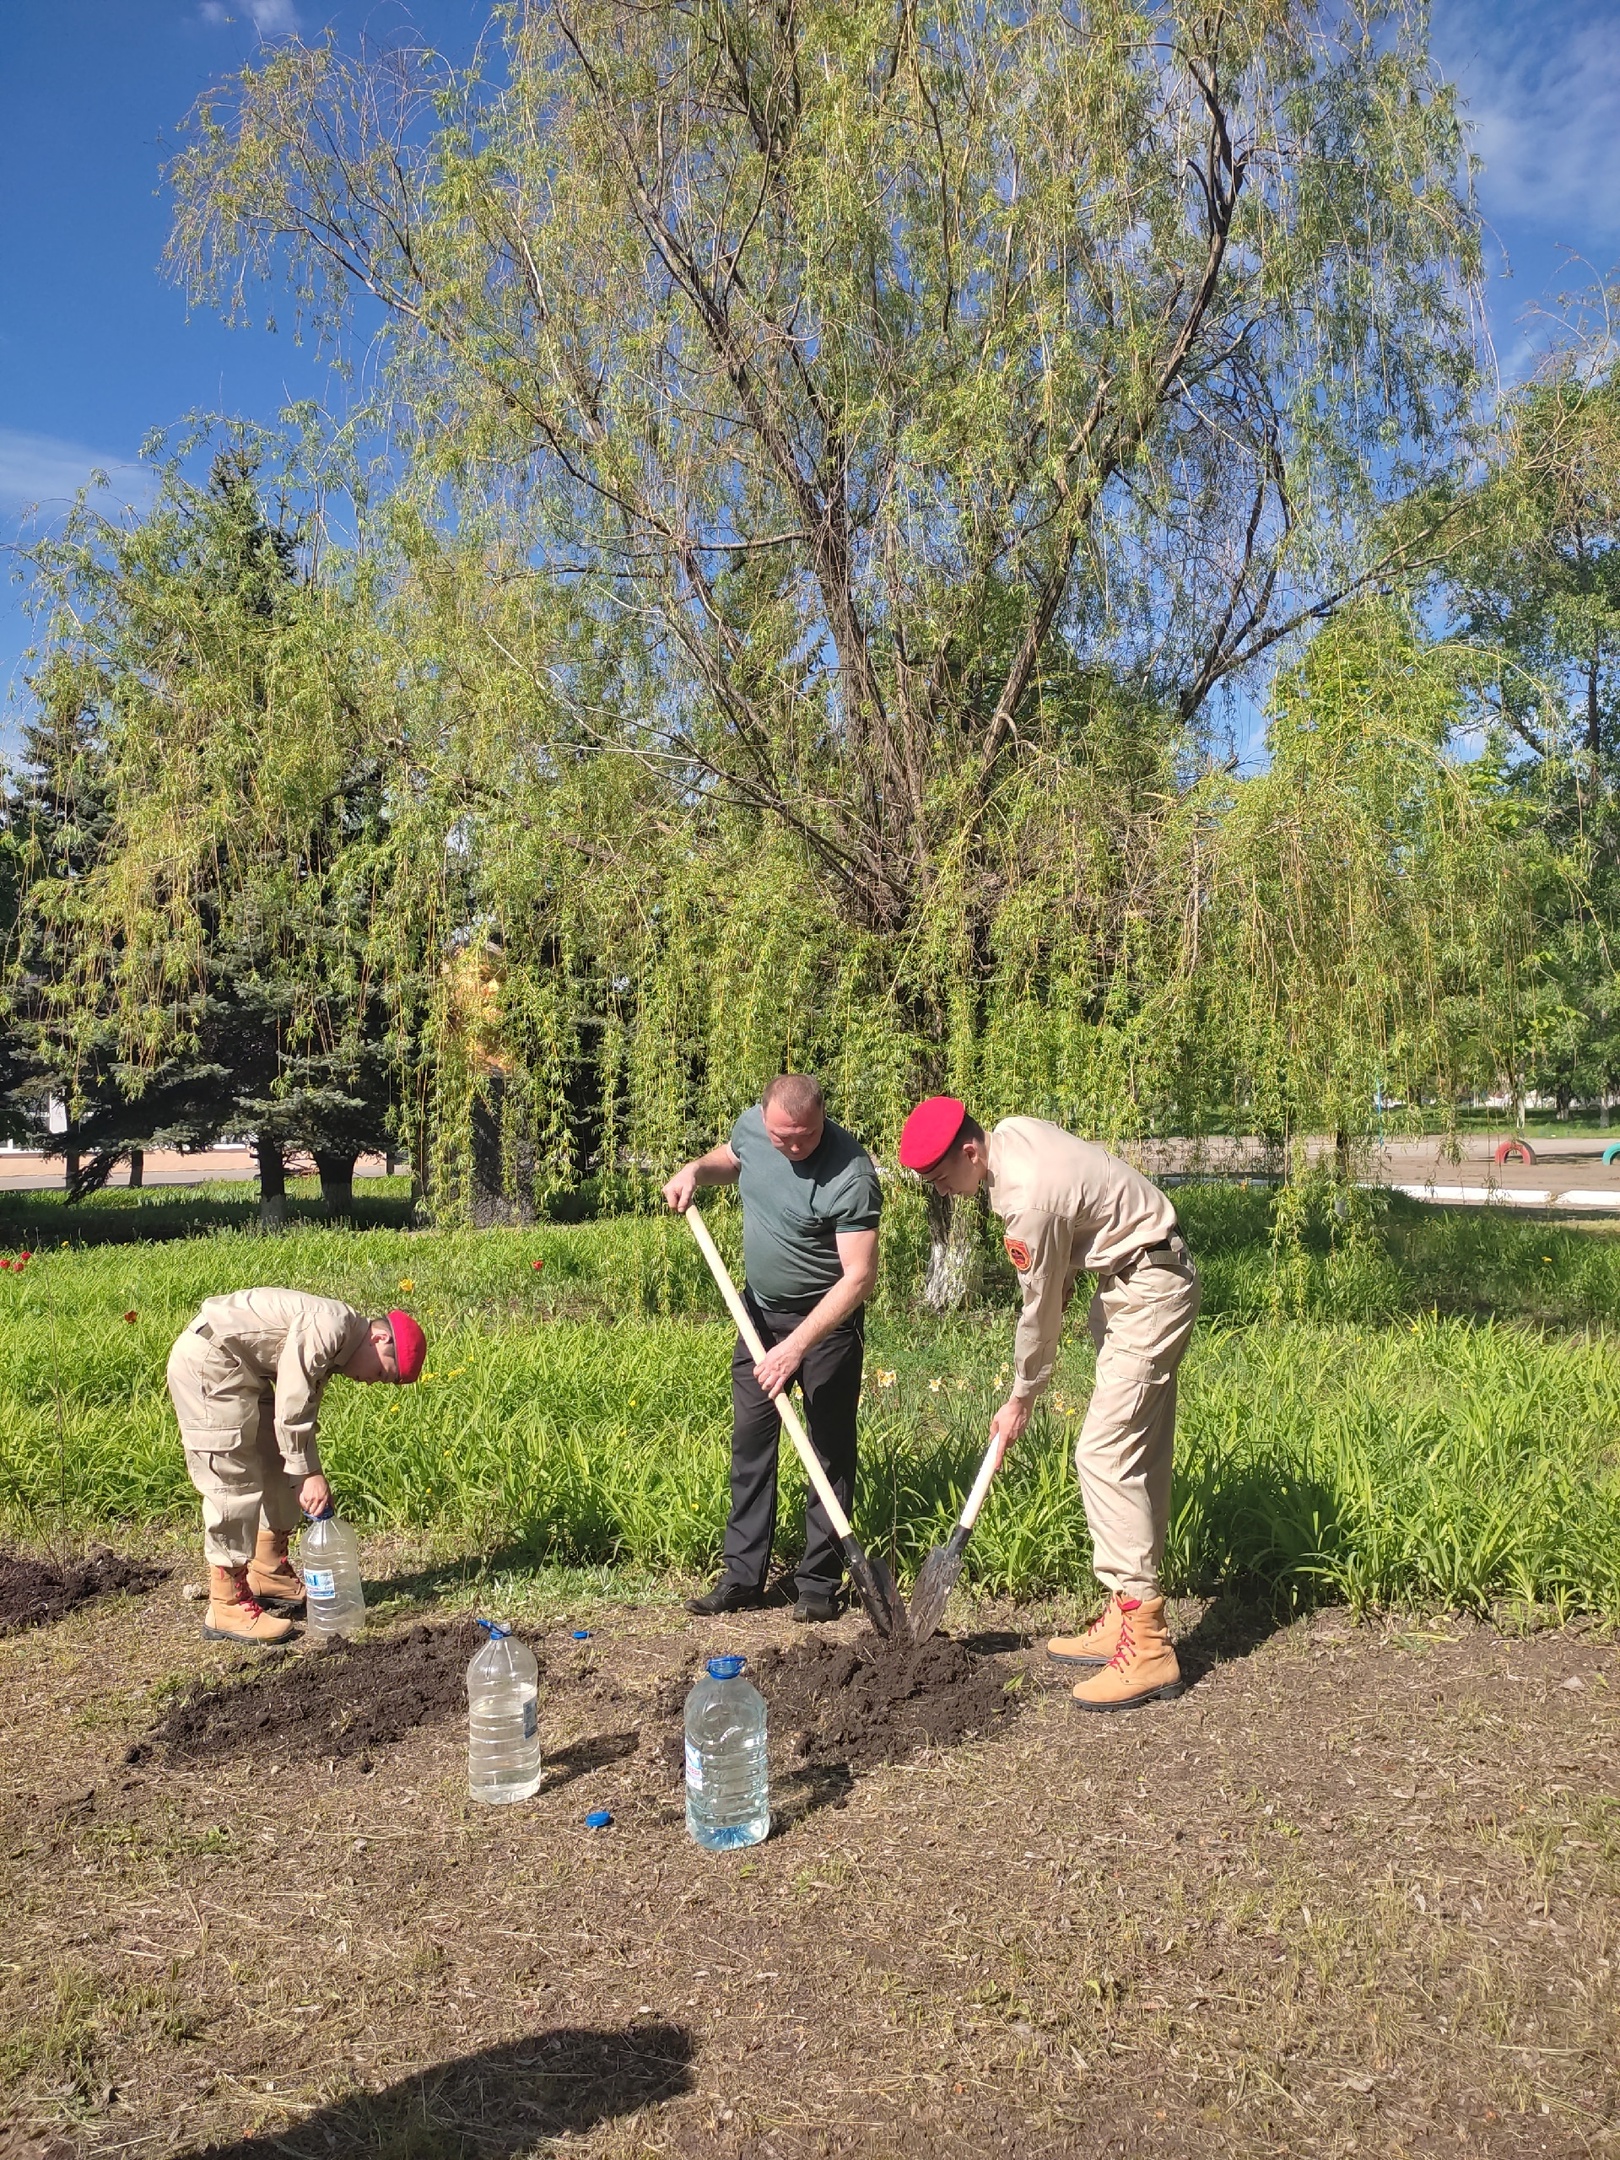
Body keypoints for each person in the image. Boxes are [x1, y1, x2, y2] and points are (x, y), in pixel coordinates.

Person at [897, 1098, 1199, 1711]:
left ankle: (1147, 1646)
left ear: (970, 1152)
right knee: (1137, 1454)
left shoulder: (1024, 1201)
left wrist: (1020, 1398)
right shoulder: (1012, 1134)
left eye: (941, 1180)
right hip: (1139, 1278)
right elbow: (1066, 1248)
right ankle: (1123, 1613)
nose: (944, 1193)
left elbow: (1037, 1317)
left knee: (1103, 1454)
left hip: (1148, 1290)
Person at [663, 1074, 882, 1622]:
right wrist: (695, 1170)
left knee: (827, 1451)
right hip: (758, 1316)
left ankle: (818, 1584)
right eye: (782, 1137)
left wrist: (796, 1347)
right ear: (765, 1120)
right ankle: (741, 1577)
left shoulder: (851, 1173)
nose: (792, 1148)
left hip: (827, 1325)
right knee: (751, 1445)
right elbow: (733, 1158)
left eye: (804, 1137)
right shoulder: (754, 1131)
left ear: (821, 1119)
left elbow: (858, 1278)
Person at [166, 1289, 427, 1646]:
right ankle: (226, 1604)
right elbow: (291, 1401)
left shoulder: (340, 1345)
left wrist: (307, 1471)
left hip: (245, 1372)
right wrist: (308, 1474)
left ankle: (269, 1571)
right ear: (380, 1338)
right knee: (232, 1477)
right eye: (382, 1373)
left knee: (277, 1463)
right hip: (212, 1362)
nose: (371, 1382)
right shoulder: (332, 1326)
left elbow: (299, 1418)